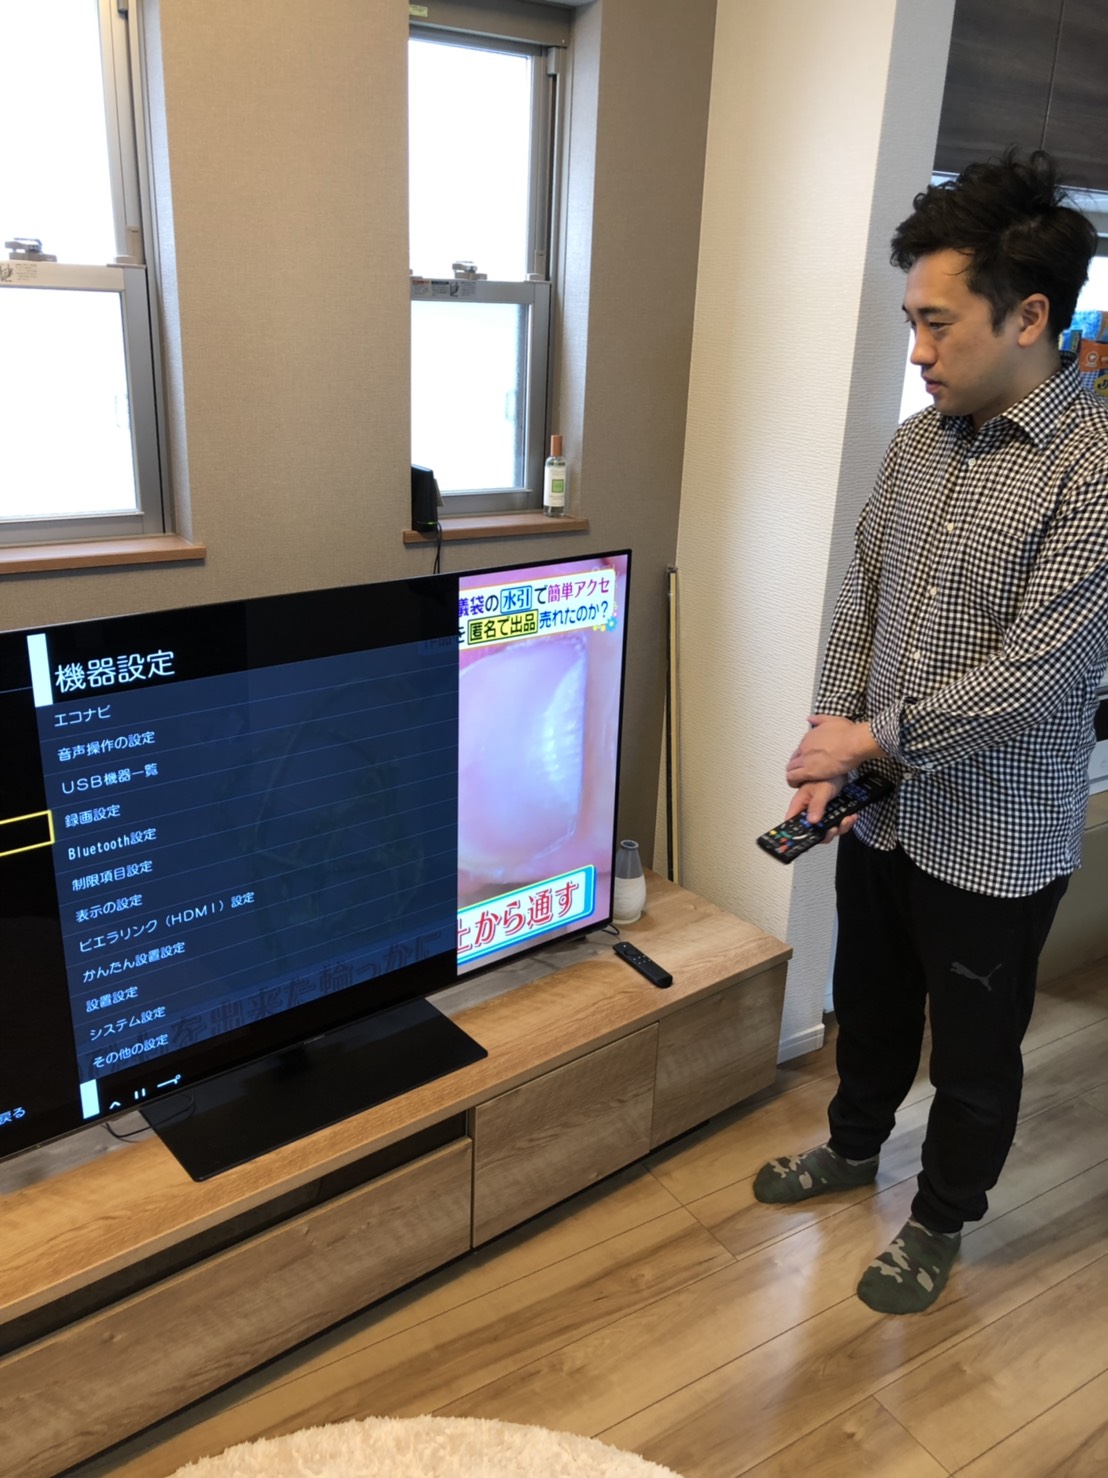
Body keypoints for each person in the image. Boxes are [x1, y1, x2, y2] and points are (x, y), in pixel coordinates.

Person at [754, 150, 1108, 1315]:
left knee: (972, 1047)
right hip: (885, 816)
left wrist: (868, 741)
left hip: (996, 838)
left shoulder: (1093, 471)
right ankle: (853, 1144)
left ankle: (941, 1216)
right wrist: (830, 740)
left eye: (936, 322)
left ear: (1028, 316)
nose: (917, 350)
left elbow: (1038, 674)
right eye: (911, 321)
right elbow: (862, 592)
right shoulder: (918, 442)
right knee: (868, 999)